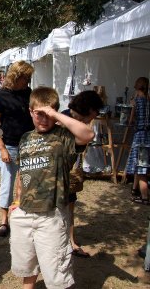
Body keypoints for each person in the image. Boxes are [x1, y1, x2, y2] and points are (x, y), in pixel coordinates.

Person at [9, 87, 94, 289]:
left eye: (49, 114)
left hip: (52, 215)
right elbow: (22, 173)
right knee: (27, 268)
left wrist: (55, 115)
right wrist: (17, 200)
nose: (44, 119)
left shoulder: (64, 136)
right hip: (25, 213)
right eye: (39, 114)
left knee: (57, 275)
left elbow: (88, 134)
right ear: (30, 111)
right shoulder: (25, 138)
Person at [0, 61, 34, 237]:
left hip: (29, 144)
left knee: (28, 181)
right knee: (7, 183)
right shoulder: (1, 95)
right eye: (26, 77)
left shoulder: (28, 92)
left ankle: (23, 215)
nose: (29, 81)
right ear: (16, 76)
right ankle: (4, 220)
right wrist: (2, 148)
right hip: (9, 145)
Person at [62, 90, 104, 257]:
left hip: (70, 173)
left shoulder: (77, 122)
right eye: (94, 113)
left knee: (70, 206)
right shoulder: (63, 119)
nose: (94, 117)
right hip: (56, 175)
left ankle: (71, 241)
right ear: (88, 108)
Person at [127, 77, 150, 205]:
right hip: (148, 135)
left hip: (140, 135)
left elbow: (130, 120)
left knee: (141, 168)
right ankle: (135, 190)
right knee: (140, 165)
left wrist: (132, 106)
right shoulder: (148, 100)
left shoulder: (138, 100)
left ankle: (145, 197)